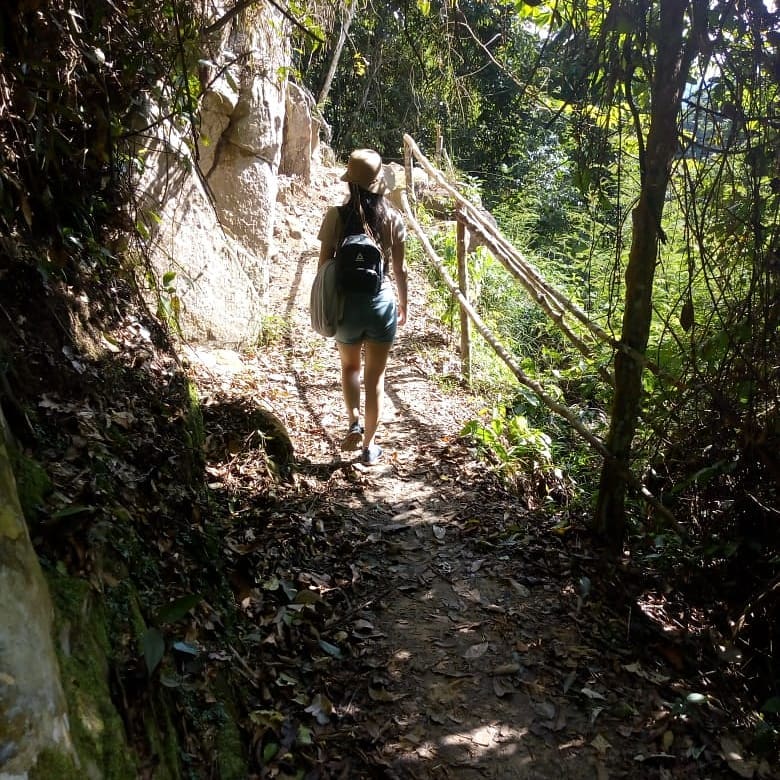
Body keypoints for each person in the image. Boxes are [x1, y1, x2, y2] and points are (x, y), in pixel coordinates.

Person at [317, 148, 408, 466]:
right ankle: (369, 447)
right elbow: (400, 270)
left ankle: (353, 420)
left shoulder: (336, 216)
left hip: (347, 308)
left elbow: (323, 267)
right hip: (381, 304)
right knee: (375, 379)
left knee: (350, 368)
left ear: (350, 183)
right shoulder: (392, 218)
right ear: (378, 183)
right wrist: (404, 305)